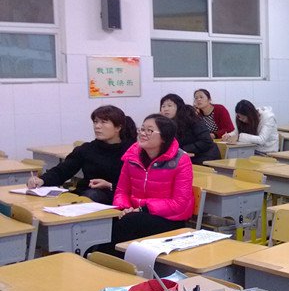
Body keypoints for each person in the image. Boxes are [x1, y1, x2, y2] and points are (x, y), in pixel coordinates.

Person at [107, 114, 194, 250]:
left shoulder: (180, 159)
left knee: (130, 222)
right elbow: (121, 191)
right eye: (142, 129)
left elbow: (179, 203)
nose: (143, 133)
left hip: (168, 219)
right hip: (134, 213)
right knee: (106, 219)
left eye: (149, 130)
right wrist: (125, 208)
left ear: (164, 137)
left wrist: (143, 209)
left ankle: (113, 258)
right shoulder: (132, 156)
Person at [27, 105, 136, 205]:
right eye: (95, 122)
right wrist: (41, 180)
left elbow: (138, 184)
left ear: (118, 127)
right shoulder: (87, 149)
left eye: (103, 122)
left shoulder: (132, 151)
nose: (97, 126)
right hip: (86, 194)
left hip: (115, 196)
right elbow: (63, 170)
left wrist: (110, 185)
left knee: (92, 195)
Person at [160, 93, 220, 165]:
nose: (166, 109)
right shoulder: (164, 124)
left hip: (205, 158)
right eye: (163, 106)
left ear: (179, 107)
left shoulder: (192, 119)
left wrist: (182, 150)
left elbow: (206, 141)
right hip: (183, 158)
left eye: (169, 106)